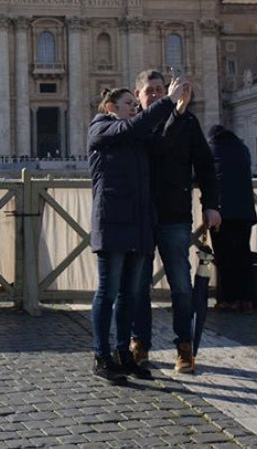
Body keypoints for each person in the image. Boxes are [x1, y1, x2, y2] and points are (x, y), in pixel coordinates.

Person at [87, 78, 185, 384]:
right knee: (108, 292)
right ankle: (101, 355)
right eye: (129, 104)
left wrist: (178, 113)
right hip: (113, 222)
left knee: (130, 294)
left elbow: (163, 142)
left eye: (134, 104)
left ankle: (123, 354)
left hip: (140, 223)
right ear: (110, 108)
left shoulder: (137, 137)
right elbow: (131, 127)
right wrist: (166, 102)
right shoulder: (102, 128)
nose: (135, 108)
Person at [129, 69, 221, 374]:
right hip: (142, 217)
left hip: (175, 215)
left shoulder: (188, 122)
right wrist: (172, 110)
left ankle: (184, 345)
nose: (156, 94)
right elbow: (156, 147)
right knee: (138, 285)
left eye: (160, 89)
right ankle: (139, 341)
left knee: (181, 285)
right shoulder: (136, 126)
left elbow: (206, 167)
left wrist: (211, 206)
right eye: (150, 91)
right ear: (139, 96)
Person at [206, 125, 257, 313]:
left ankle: (228, 299)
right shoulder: (242, 149)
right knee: (243, 255)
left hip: (222, 213)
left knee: (224, 257)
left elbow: (200, 175)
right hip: (245, 212)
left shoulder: (211, 149)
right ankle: (247, 300)